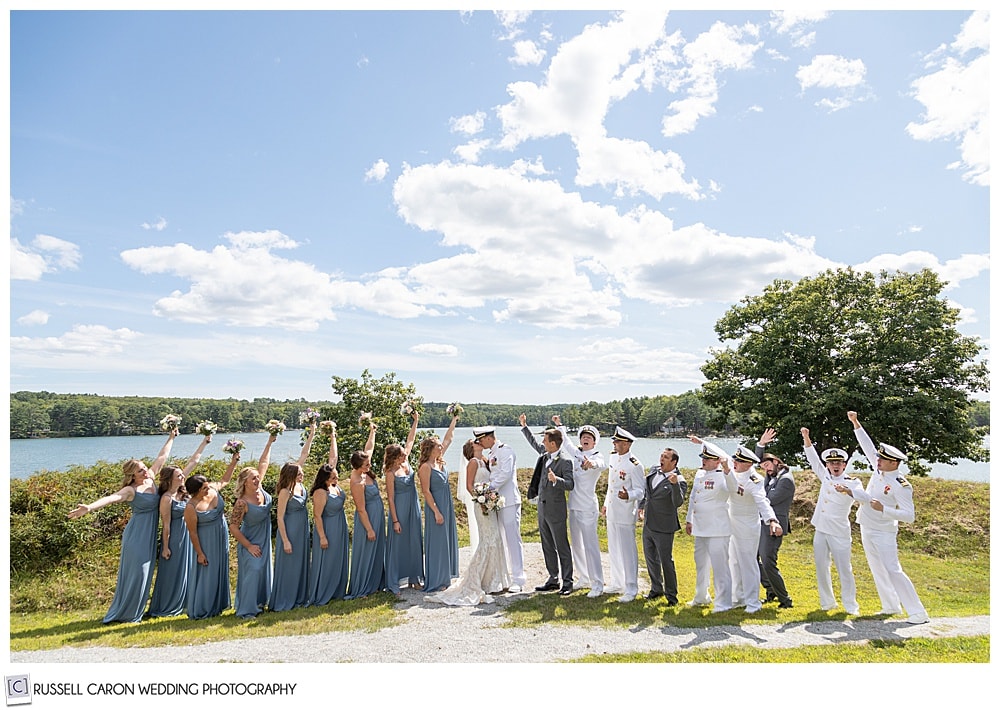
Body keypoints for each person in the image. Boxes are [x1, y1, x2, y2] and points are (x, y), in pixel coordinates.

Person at [68, 429, 180, 624]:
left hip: (149, 535)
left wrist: (171, 437)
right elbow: (112, 498)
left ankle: (135, 611)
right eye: (140, 470)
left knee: (146, 573)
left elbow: (162, 456)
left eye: (144, 467)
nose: (145, 471)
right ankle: (126, 613)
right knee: (138, 573)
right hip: (136, 536)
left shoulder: (152, 479)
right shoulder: (130, 490)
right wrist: (89, 508)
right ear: (132, 476)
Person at [846, 411, 930, 624]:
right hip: (866, 525)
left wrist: (884, 509)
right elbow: (867, 446)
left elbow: (909, 516)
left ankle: (918, 612)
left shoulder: (901, 485)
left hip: (884, 530)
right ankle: (890, 605)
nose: (878, 460)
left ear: (894, 463)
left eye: (883, 458)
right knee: (877, 569)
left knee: (893, 569)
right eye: (879, 457)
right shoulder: (879, 469)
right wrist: (856, 423)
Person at [426, 439, 511, 606]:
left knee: (495, 538)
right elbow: (469, 485)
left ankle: (494, 579)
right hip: (481, 505)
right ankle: (481, 579)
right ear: (471, 448)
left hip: (489, 504)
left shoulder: (485, 460)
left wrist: (490, 499)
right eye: (476, 442)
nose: (480, 442)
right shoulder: (473, 462)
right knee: (488, 539)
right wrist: (481, 500)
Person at [147, 431, 214, 618]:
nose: (182, 477)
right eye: (178, 475)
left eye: (181, 475)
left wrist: (205, 442)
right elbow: (166, 525)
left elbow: (194, 461)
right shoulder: (166, 498)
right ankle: (168, 604)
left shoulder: (182, 491)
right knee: (174, 571)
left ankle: (186, 602)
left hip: (189, 533)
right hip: (176, 536)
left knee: (189, 569)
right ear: (170, 479)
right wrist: (165, 547)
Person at [801, 426, 864, 615]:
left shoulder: (853, 481)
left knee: (844, 569)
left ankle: (850, 605)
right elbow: (813, 459)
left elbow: (862, 497)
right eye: (831, 463)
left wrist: (848, 491)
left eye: (838, 462)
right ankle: (827, 602)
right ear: (828, 465)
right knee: (821, 567)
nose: (835, 465)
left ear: (844, 465)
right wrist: (806, 438)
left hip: (839, 531)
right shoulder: (825, 476)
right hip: (821, 529)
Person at [552, 415, 606, 598]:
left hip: (588, 507)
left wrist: (591, 464)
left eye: (589, 438)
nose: (585, 439)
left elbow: (601, 465)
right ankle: (583, 577)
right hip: (574, 505)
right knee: (576, 545)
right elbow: (565, 441)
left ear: (594, 441)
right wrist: (559, 425)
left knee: (591, 545)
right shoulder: (576, 453)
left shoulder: (597, 456)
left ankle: (597, 583)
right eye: (583, 436)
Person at [725, 444, 782, 613]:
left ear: (749, 464)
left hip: (747, 526)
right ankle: (739, 597)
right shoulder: (735, 473)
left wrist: (772, 520)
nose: (734, 462)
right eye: (735, 459)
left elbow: (763, 502)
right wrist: (702, 443)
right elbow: (721, 455)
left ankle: (753, 602)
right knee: (734, 562)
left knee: (748, 563)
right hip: (732, 523)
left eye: (739, 461)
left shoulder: (754, 480)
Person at [522, 417, 575, 595]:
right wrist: (524, 427)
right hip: (542, 509)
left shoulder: (565, 461)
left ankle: (567, 582)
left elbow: (570, 484)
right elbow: (534, 444)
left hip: (556, 510)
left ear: (553, 443)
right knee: (547, 545)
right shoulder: (545, 456)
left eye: (545, 440)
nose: (542, 443)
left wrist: (556, 480)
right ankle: (553, 578)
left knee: (562, 546)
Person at [269, 421, 318, 612]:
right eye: (299, 473)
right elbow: (280, 517)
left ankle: (301, 596)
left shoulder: (299, 485)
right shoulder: (285, 491)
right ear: (291, 474)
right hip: (289, 530)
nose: (302, 475)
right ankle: (285, 599)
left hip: (302, 527)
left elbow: (304, 455)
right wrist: (285, 540)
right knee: (289, 565)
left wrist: (312, 433)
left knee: (302, 562)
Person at [229, 432, 277, 619]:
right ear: (244, 482)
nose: (258, 480)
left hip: (265, 539)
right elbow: (233, 527)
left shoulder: (261, 491)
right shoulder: (241, 503)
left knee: (264, 570)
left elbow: (263, 462)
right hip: (251, 541)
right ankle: (246, 610)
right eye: (253, 479)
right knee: (254, 570)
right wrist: (248, 546)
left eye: (258, 477)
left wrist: (270, 441)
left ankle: (260, 603)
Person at [474, 425, 524, 593]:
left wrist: (488, 488)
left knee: (512, 539)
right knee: (502, 538)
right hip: (497, 502)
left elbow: (506, 473)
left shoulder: (505, 451)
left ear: (489, 437)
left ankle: (519, 578)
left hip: (509, 500)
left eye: (481, 439)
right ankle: (507, 575)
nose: (480, 443)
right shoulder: (493, 453)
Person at [183, 462, 237, 620]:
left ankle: (218, 605)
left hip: (221, 535)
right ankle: (203, 607)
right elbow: (192, 532)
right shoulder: (191, 507)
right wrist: (199, 553)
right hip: (206, 541)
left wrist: (234, 460)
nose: (208, 489)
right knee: (208, 573)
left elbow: (225, 480)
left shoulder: (213, 490)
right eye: (204, 488)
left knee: (220, 568)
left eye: (207, 486)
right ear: (196, 491)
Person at [684, 440, 733, 613]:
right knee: (701, 563)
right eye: (702, 457)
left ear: (718, 460)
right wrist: (689, 519)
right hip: (700, 526)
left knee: (720, 566)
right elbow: (693, 498)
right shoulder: (700, 474)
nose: (703, 461)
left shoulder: (725, 476)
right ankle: (701, 596)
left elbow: (733, 487)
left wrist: (703, 441)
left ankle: (723, 601)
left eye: (707, 458)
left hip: (717, 528)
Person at [638, 447, 687, 606]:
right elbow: (647, 492)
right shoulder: (654, 470)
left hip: (664, 527)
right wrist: (641, 506)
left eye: (666, 457)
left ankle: (671, 596)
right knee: (650, 558)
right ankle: (656, 589)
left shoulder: (680, 480)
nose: (662, 459)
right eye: (661, 456)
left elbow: (678, 502)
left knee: (666, 561)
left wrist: (674, 485)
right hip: (648, 523)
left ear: (674, 462)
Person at [307, 423, 349, 606]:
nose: (336, 479)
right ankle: (323, 592)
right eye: (333, 477)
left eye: (336, 476)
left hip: (340, 524)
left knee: (339, 558)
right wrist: (322, 537)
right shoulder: (320, 492)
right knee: (327, 560)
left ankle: (338, 590)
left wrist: (333, 435)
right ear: (324, 479)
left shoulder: (333, 486)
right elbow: (317, 516)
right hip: (327, 528)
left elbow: (334, 457)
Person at [601, 426, 645, 603]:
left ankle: (631, 588)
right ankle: (617, 582)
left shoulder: (635, 464)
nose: (614, 443)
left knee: (627, 552)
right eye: (614, 441)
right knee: (614, 548)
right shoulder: (614, 458)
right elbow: (612, 486)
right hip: (612, 510)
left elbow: (641, 491)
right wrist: (605, 504)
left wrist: (629, 495)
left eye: (617, 441)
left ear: (626, 444)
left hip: (626, 512)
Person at [755, 428, 795, 609]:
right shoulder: (772, 477)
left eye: (768, 465)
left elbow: (768, 500)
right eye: (763, 467)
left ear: (777, 462)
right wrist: (761, 444)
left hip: (775, 525)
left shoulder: (785, 480)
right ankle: (771, 590)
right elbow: (756, 460)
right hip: (763, 523)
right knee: (754, 557)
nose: (766, 469)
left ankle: (785, 599)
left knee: (768, 560)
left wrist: (754, 499)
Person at [419, 413, 460, 593]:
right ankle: (437, 579)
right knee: (438, 542)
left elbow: (448, 439)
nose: (441, 447)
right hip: (435, 506)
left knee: (447, 539)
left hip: (447, 504)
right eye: (437, 446)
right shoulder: (425, 467)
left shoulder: (439, 462)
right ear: (430, 449)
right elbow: (426, 491)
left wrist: (454, 420)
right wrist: (436, 511)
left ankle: (447, 576)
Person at [384, 410, 423, 597]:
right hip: (398, 508)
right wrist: (395, 521)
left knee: (414, 541)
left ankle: (415, 578)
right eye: (401, 456)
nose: (405, 457)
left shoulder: (406, 462)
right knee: (398, 544)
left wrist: (415, 422)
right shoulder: (390, 472)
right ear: (393, 458)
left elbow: (410, 441)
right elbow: (390, 497)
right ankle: (394, 582)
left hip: (413, 505)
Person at [346, 418, 386, 599]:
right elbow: (361, 508)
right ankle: (362, 587)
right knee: (366, 551)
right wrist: (369, 528)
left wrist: (373, 431)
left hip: (377, 513)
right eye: (366, 465)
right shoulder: (356, 481)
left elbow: (369, 448)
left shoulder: (365, 471)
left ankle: (376, 583)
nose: (369, 466)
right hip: (367, 518)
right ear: (356, 466)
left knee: (378, 549)